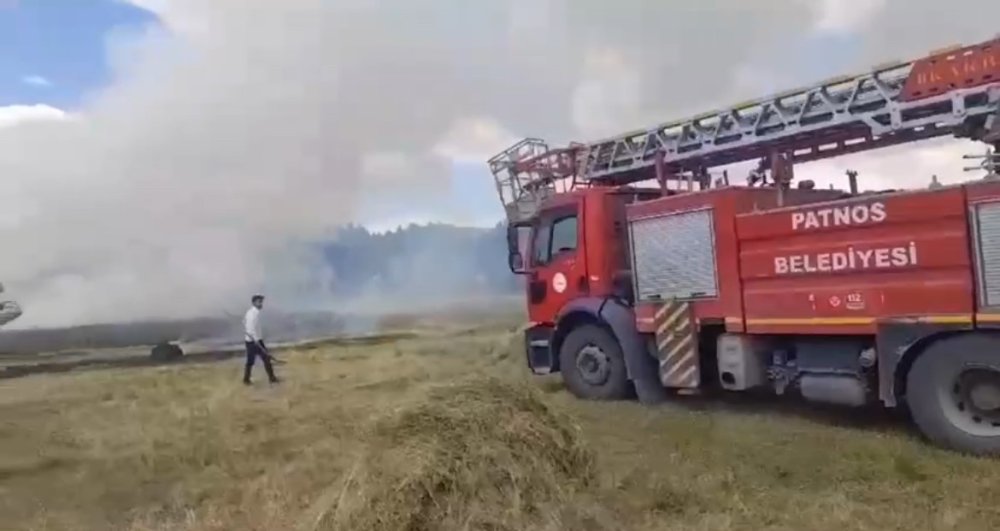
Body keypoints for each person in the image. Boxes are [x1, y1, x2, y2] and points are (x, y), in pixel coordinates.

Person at [243, 294, 279, 385]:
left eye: (261, 302)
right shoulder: (253, 314)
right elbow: (251, 329)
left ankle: (247, 379)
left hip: (252, 341)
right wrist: (257, 342)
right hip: (254, 341)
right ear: (254, 303)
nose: (261, 304)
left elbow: (244, 322)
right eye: (259, 302)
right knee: (263, 359)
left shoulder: (250, 312)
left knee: (253, 361)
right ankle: (272, 378)